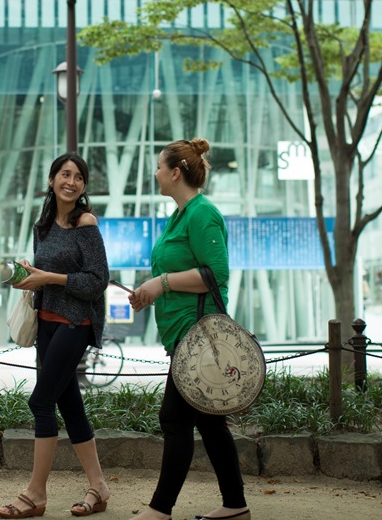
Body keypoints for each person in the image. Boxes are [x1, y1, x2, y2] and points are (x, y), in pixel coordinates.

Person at [127, 138, 249, 520]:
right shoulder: (179, 216)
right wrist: (150, 291)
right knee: (210, 423)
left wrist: (159, 284)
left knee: (175, 419)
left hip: (197, 334)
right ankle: (235, 506)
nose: (156, 173)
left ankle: (160, 510)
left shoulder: (202, 214)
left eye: (160, 167)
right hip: (181, 330)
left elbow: (217, 274)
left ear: (175, 172)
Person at [0, 152, 111, 519]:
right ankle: (99, 488)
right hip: (45, 320)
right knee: (69, 405)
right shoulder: (42, 225)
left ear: (83, 186)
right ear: (51, 180)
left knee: (40, 402)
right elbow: (43, 275)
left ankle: (35, 494)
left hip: (76, 322)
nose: (71, 182)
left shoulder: (85, 222)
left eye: (79, 177)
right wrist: (29, 275)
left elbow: (97, 281)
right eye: (65, 174)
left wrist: (49, 277)